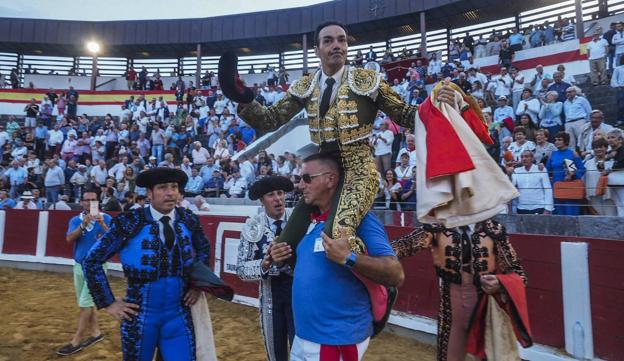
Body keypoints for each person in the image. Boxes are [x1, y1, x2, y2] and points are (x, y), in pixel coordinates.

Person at [221, 20, 459, 264]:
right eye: (328, 41)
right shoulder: (305, 85)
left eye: (341, 40)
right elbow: (270, 119)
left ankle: (379, 291)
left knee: (338, 236)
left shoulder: (368, 80)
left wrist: (436, 103)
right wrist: (242, 97)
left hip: (358, 171)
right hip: (321, 173)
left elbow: (406, 114)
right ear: (317, 49)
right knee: (283, 244)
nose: (337, 46)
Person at [268, 153, 404, 361]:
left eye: (307, 178)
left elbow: (395, 274)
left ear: (330, 179)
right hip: (304, 336)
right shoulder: (309, 221)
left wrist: (349, 257)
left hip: (335, 340)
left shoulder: (363, 221)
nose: (300, 185)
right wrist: (280, 257)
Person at [82, 168, 219, 361]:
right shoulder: (130, 221)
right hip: (139, 318)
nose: (170, 192)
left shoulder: (188, 219)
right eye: (162, 188)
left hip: (178, 316)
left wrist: (198, 286)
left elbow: (204, 250)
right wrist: (108, 302)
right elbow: (92, 260)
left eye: (174, 187)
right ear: (149, 193)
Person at [390, 219, 530, 361]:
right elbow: (402, 246)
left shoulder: (495, 230)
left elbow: (519, 274)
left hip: (485, 314)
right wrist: (374, 254)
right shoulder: (436, 228)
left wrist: (500, 283)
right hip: (451, 316)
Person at [237, 176, 295, 361]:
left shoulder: (299, 221)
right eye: (271, 195)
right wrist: (264, 265)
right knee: (276, 354)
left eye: (280, 193)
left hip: (300, 296)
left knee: (302, 353)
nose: (278, 199)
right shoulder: (252, 227)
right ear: (262, 200)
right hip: (271, 299)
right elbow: (241, 269)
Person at [56, 192, 111, 356]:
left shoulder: (106, 218)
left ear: (97, 202)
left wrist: (102, 224)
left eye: (93, 200)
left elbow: (115, 240)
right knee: (86, 303)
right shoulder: (75, 220)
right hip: (79, 266)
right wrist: (82, 225)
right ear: (81, 202)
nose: (89, 202)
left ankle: (76, 341)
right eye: (86, 200)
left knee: (85, 303)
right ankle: (95, 333)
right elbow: (69, 239)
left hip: (97, 267)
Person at [546, 131, 586, 215]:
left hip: (570, 186)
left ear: (566, 141)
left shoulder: (573, 153)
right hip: (556, 186)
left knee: (571, 214)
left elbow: (582, 169)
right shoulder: (552, 154)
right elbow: (547, 170)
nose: (556, 142)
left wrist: (573, 174)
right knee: (559, 215)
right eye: (556, 140)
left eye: (560, 140)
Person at [584, 138, 617, 216]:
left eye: (601, 147)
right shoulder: (587, 163)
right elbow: (584, 180)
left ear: (606, 148)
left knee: (611, 218)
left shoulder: (612, 162)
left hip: (610, 196)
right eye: (596, 147)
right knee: (598, 219)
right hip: (593, 196)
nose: (598, 149)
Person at [605, 128, 624, 216]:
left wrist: (609, 170)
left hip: (621, 181)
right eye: (608, 138)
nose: (610, 140)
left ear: (620, 139)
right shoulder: (609, 152)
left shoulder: (622, 150)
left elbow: (621, 163)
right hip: (613, 182)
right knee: (618, 204)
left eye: (613, 137)